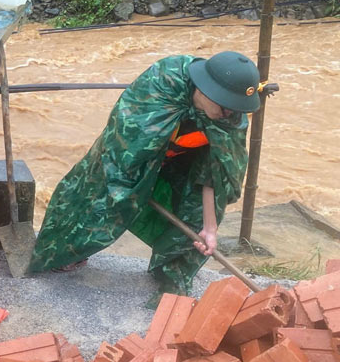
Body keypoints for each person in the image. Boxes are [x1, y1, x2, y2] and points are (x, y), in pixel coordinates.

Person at [28, 52, 262, 300]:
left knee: (197, 211)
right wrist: (141, 182)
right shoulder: (162, 82)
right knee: (103, 197)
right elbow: (126, 145)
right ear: (204, 91)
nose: (229, 115)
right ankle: (64, 252)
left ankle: (171, 269)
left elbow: (215, 171)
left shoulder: (227, 117)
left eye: (234, 110)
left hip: (182, 159)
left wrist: (209, 227)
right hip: (128, 157)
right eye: (224, 108)